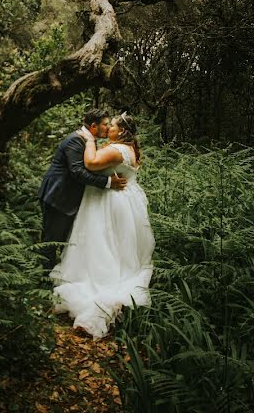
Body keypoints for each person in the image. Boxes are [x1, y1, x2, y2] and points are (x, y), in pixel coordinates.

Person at [50, 112, 155, 339]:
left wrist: (90, 140)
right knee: (116, 246)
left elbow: (90, 163)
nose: (108, 129)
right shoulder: (130, 149)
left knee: (100, 243)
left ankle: (100, 290)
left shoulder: (115, 149)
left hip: (106, 203)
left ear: (122, 131)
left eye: (113, 126)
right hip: (126, 202)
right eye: (107, 126)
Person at [38, 108, 128, 272]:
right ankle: (43, 279)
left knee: (65, 239)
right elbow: (77, 172)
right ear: (94, 126)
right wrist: (108, 182)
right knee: (51, 240)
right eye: (105, 125)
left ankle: (58, 274)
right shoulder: (75, 140)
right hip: (58, 196)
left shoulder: (88, 140)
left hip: (69, 198)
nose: (108, 128)